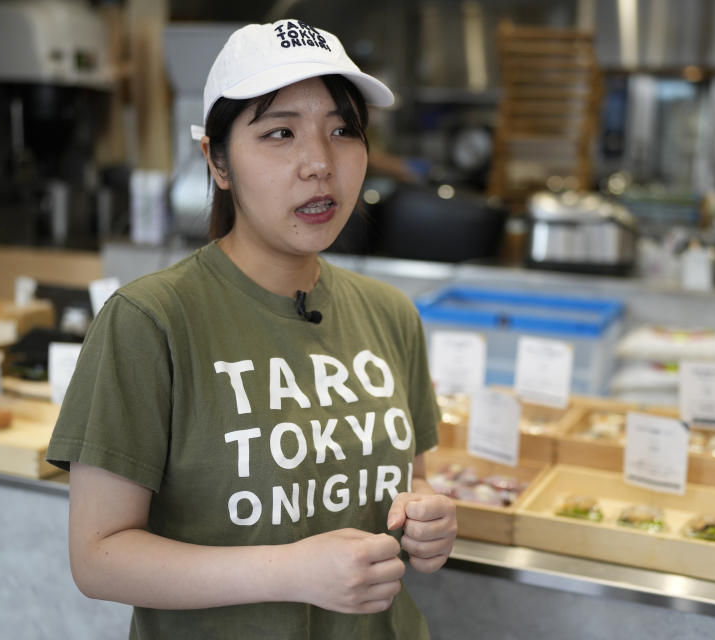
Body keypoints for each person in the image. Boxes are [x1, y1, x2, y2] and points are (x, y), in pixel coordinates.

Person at [46, 20, 456, 639]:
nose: (320, 163)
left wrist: (428, 517)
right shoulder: (150, 320)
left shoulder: (390, 312)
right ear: (217, 161)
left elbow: (411, 475)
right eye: (280, 133)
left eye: (343, 130)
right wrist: (290, 571)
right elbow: (99, 556)